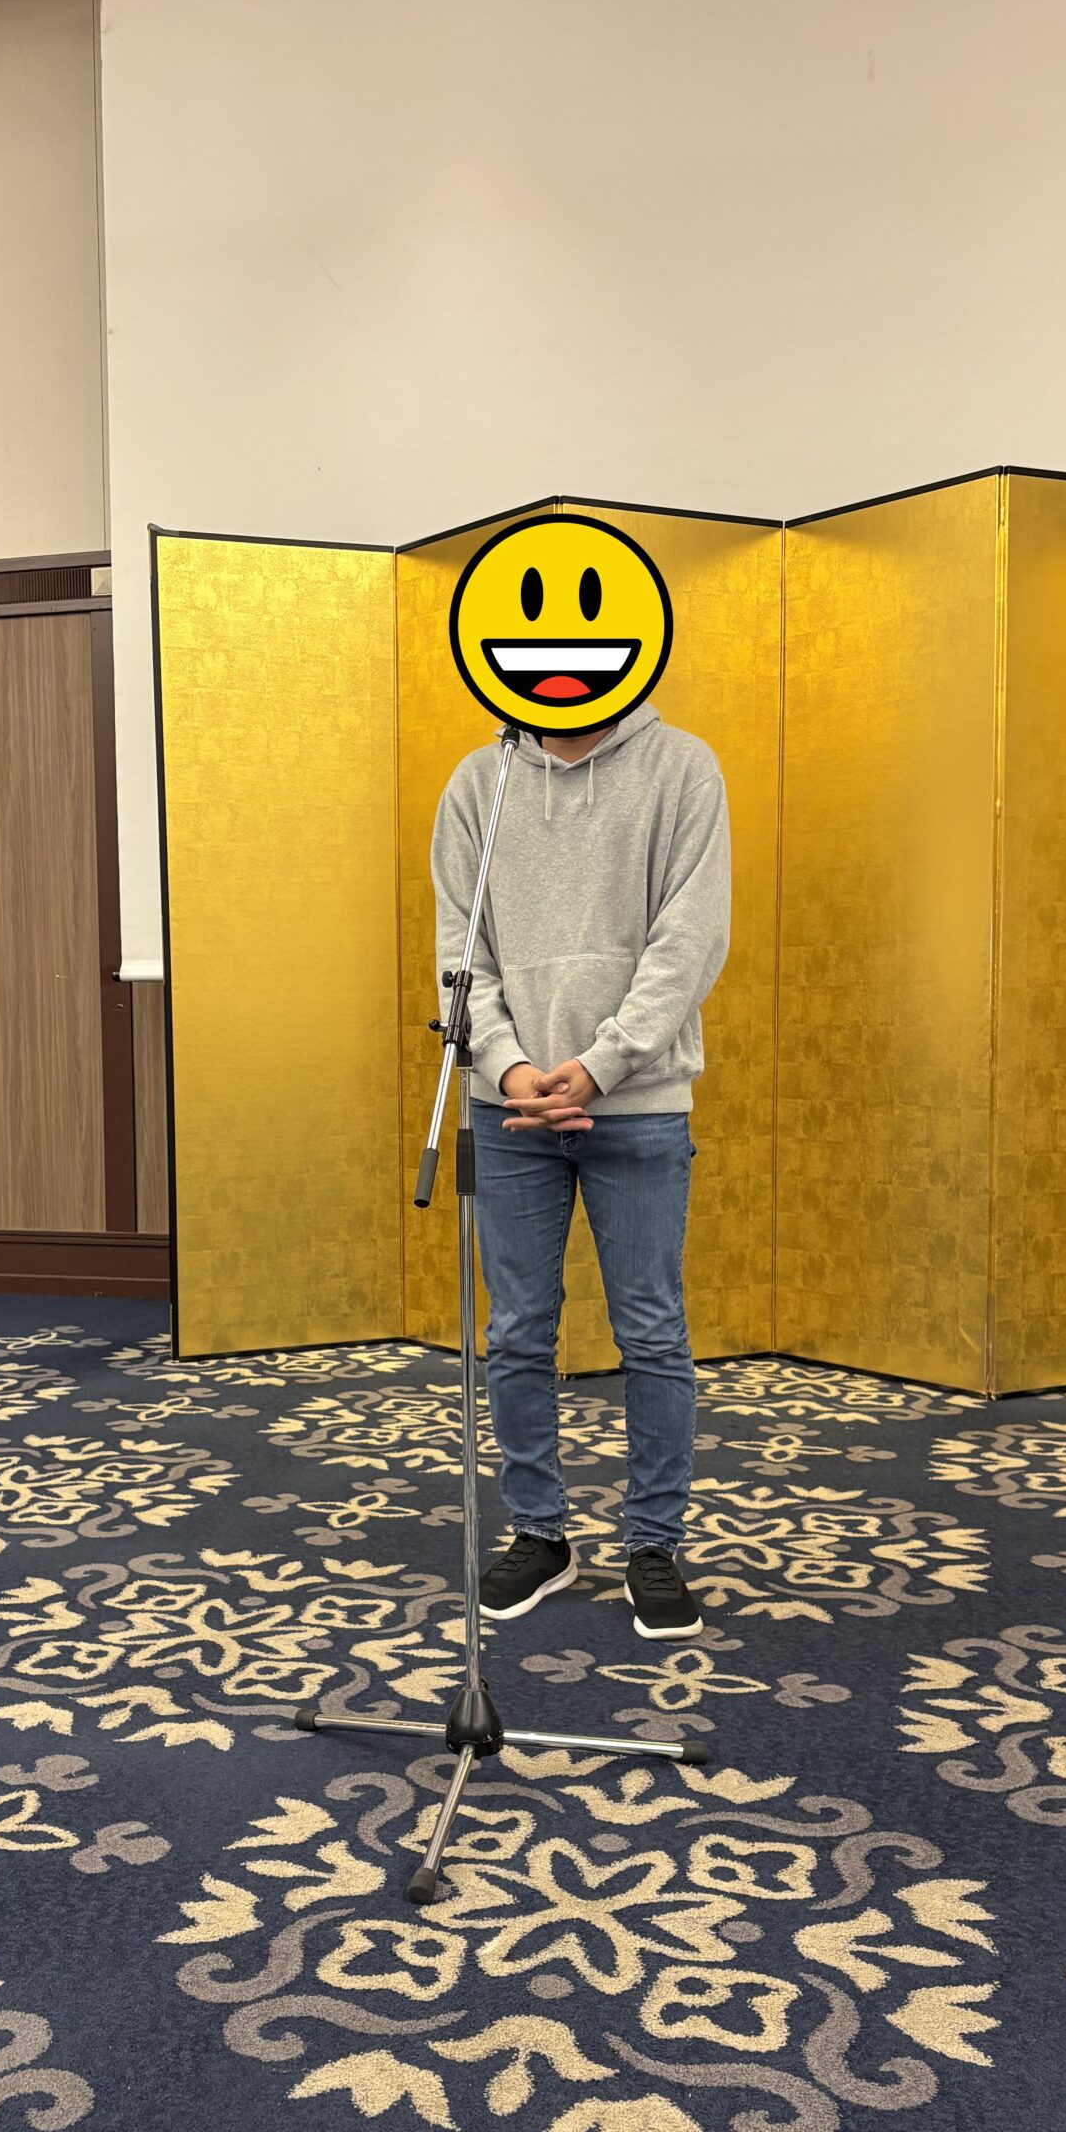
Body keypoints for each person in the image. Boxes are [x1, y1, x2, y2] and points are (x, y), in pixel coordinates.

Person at [430, 699, 731, 1641]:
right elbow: (460, 951)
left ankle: (654, 1544)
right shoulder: (481, 782)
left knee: (651, 1329)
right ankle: (539, 1534)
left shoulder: (682, 768)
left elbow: (690, 940)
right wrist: (508, 1066)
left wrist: (603, 1064)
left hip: (637, 1107)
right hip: (510, 1109)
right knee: (517, 1330)